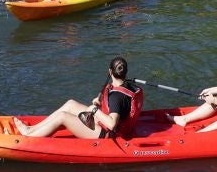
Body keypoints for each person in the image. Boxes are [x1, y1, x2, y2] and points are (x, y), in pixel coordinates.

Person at [13, 56, 142, 139]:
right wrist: (100, 104)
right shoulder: (128, 86)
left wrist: (95, 110)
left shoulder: (116, 97)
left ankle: (30, 137)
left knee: (62, 116)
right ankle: (31, 129)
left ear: (110, 72)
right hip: (104, 124)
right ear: (125, 72)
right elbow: (120, 107)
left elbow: (112, 124)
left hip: (106, 134)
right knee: (70, 104)